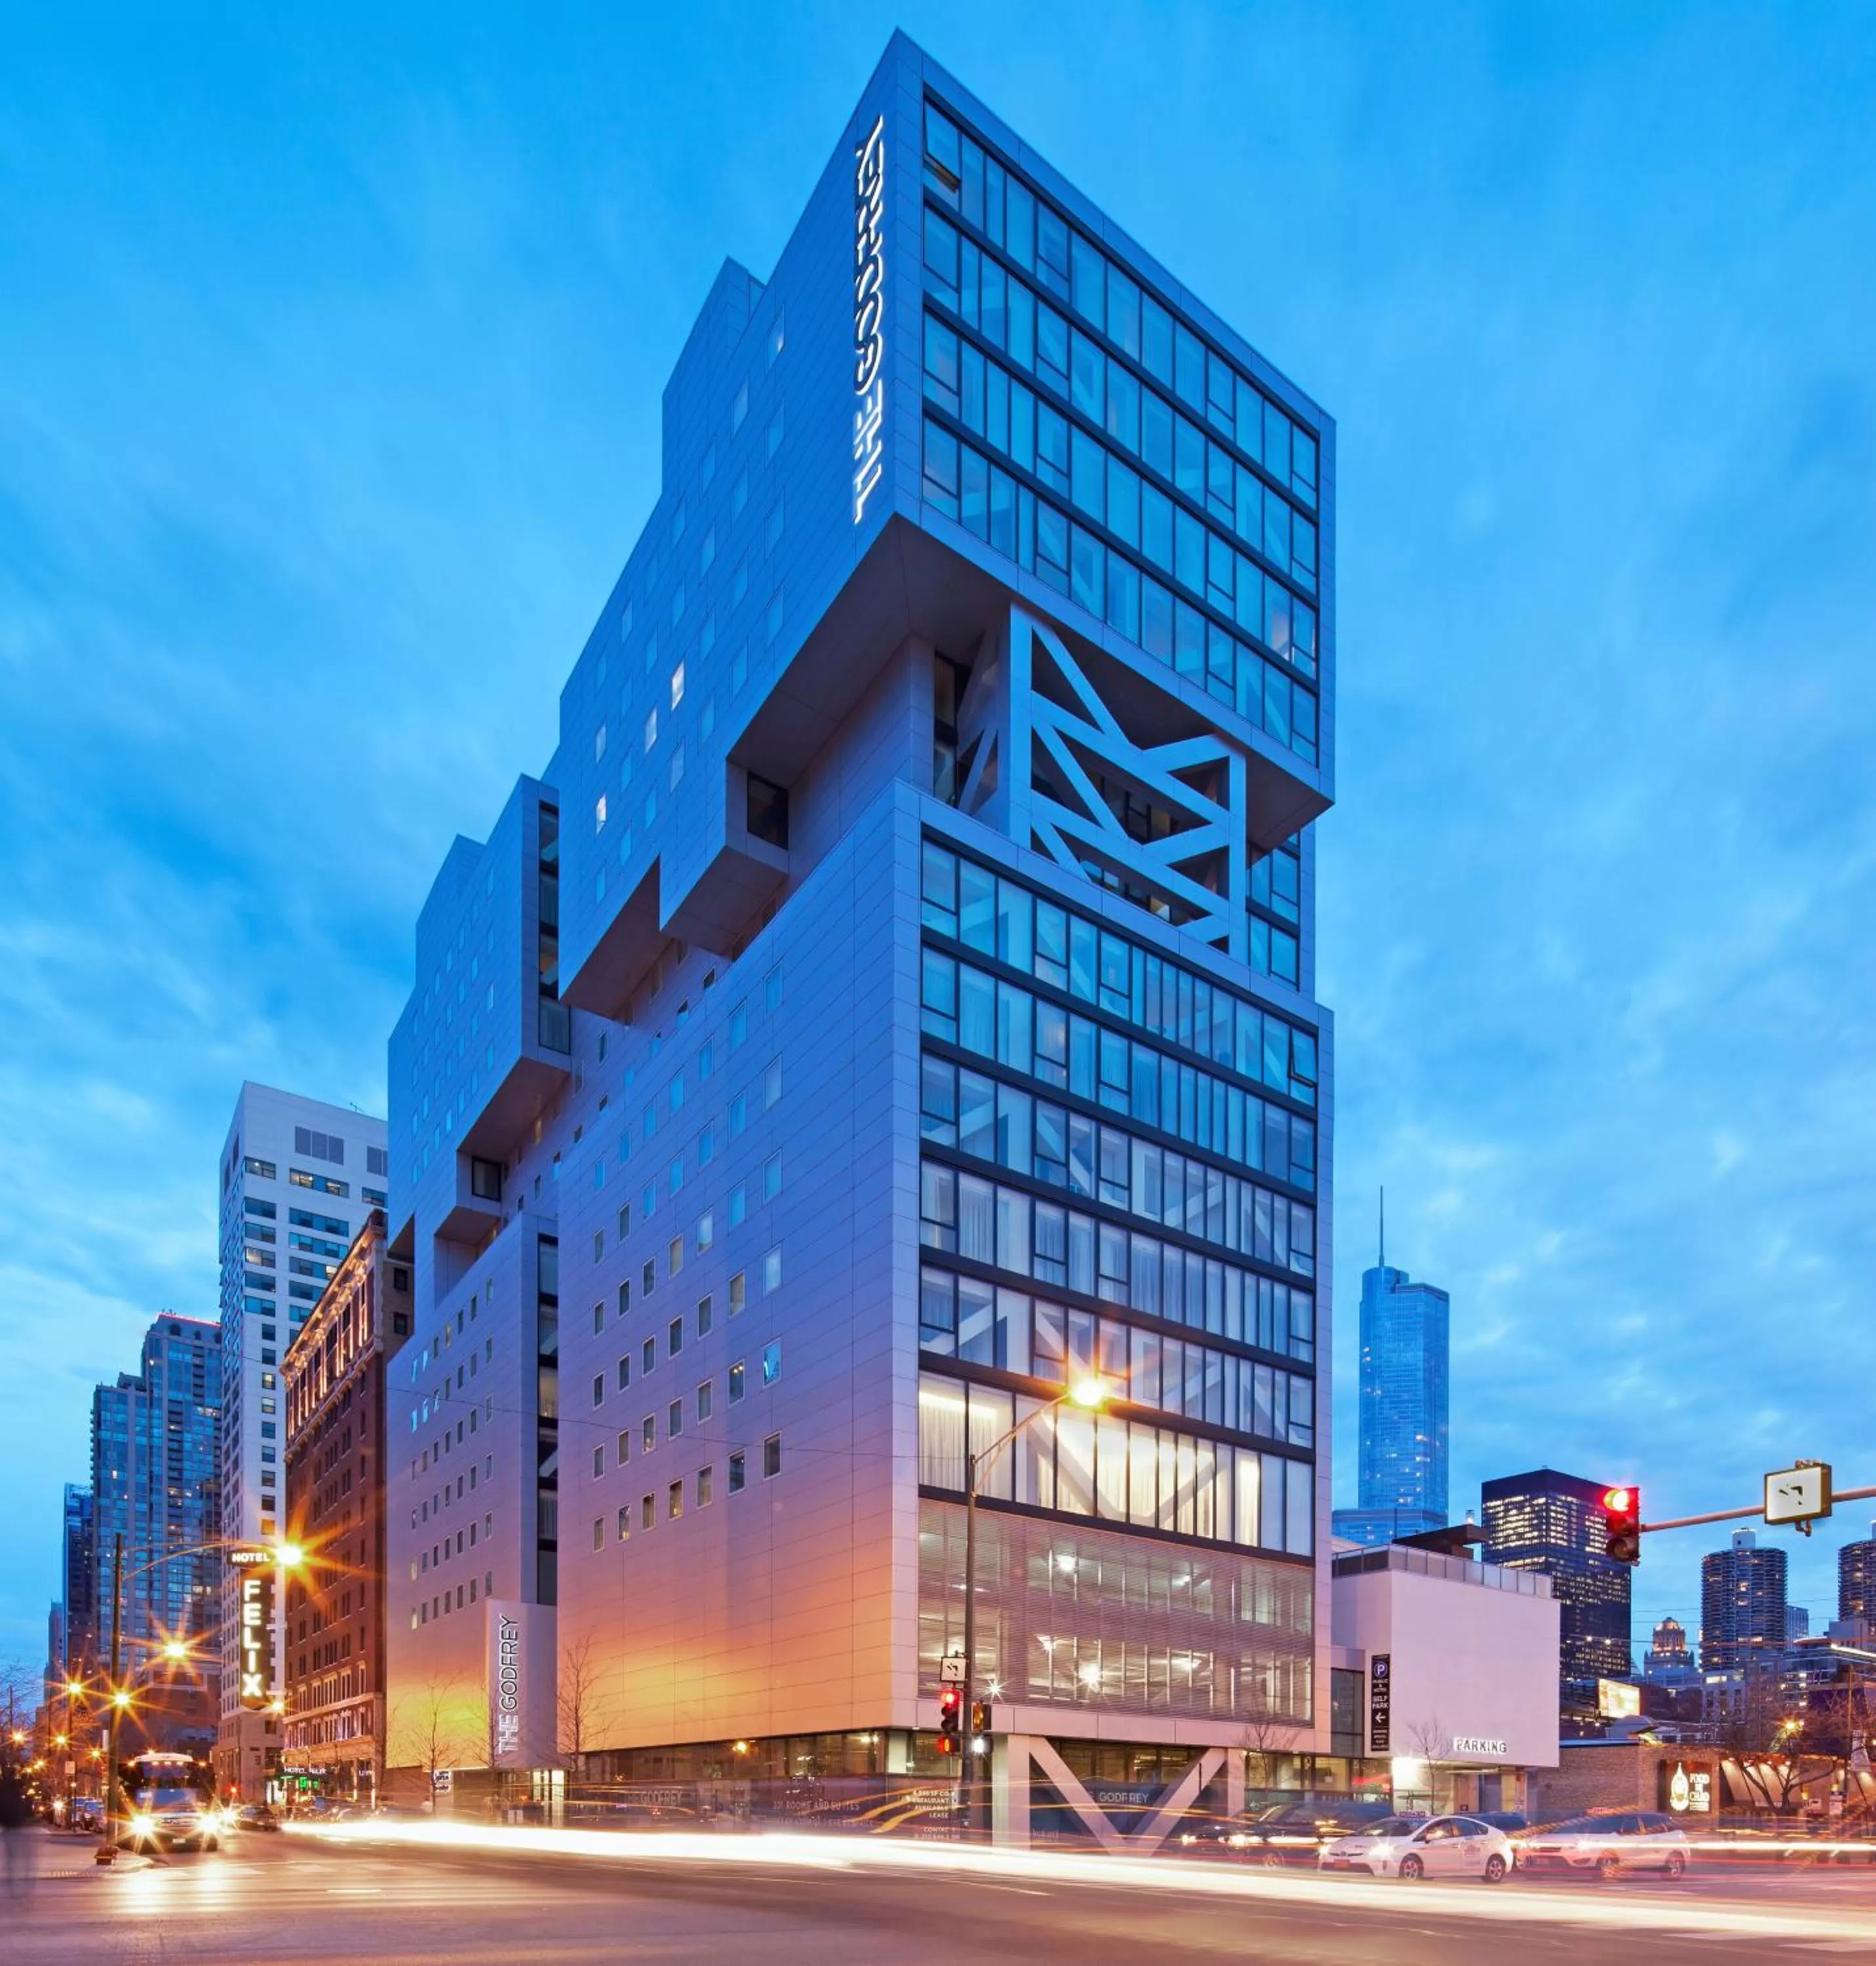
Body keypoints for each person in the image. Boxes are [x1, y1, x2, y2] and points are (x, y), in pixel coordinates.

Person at [0, 1766, 34, 1899]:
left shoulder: (4, 1790)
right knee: (24, 1857)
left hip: (9, 1827)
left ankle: (14, 1879)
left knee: (12, 1857)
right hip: (17, 1825)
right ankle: (22, 1881)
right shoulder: (16, 1791)